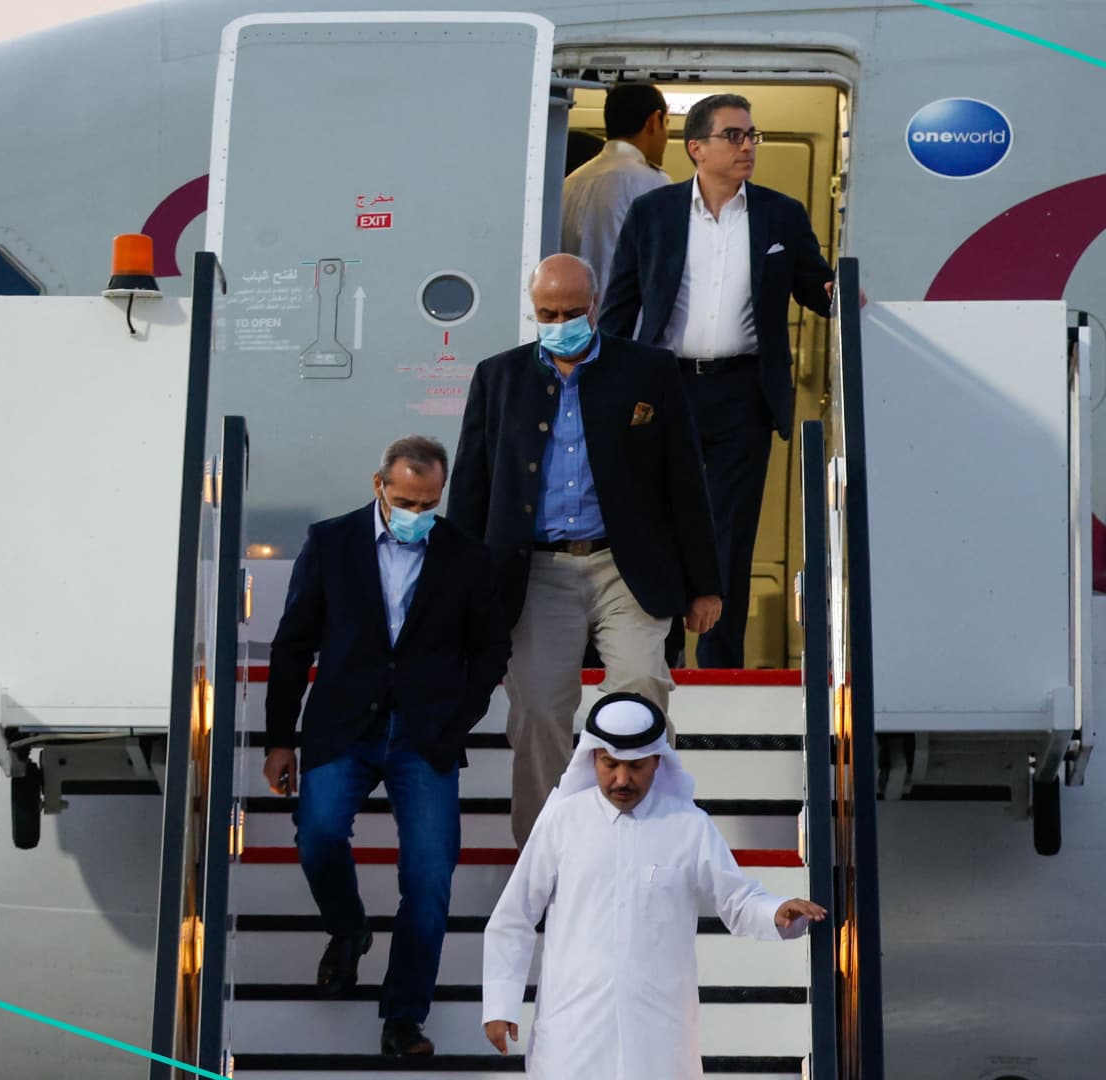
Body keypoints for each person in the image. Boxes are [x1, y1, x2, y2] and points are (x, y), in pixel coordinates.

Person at [450, 253, 720, 846]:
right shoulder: (499, 377)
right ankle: (545, 856)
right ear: (533, 309)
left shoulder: (648, 371)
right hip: (535, 572)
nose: (560, 321)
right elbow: (471, 488)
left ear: (595, 306)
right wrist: (459, 591)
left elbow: (685, 479)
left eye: (572, 311)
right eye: (547, 312)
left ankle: (647, 841)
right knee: (540, 714)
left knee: (641, 689)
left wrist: (705, 582)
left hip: (626, 567)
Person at [263, 435, 512, 1057]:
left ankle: (404, 1018)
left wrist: (459, 719)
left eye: (428, 503)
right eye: (406, 500)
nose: (416, 513)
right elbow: (294, 643)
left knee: (429, 881)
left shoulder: (465, 555)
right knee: (318, 835)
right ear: (379, 485)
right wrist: (278, 739)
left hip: (425, 736)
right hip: (343, 724)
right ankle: (349, 932)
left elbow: (490, 648)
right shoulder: (331, 542)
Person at [600, 93, 839, 669]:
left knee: (730, 530)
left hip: (743, 393)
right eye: (734, 136)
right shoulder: (653, 213)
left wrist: (843, 295)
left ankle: (721, 663)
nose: (747, 147)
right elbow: (620, 305)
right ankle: (662, 657)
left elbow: (815, 285)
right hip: (665, 389)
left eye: (752, 136)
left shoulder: (781, 214)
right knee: (661, 522)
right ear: (697, 148)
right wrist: (606, 385)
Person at [479, 692, 827, 1078]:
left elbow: (738, 900)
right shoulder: (562, 820)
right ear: (593, 757)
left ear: (658, 761)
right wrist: (500, 1003)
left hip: (659, 1032)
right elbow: (515, 916)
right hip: (572, 1029)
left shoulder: (687, 824)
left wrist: (775, 911)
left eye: (636, 766)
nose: (622, 780)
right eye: (610, 765)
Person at [561, 83, 671, 294]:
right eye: (666, 123)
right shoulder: (652, 184)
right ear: (653, 121)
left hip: (576, 321)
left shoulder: (571, 183)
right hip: (626, 324)